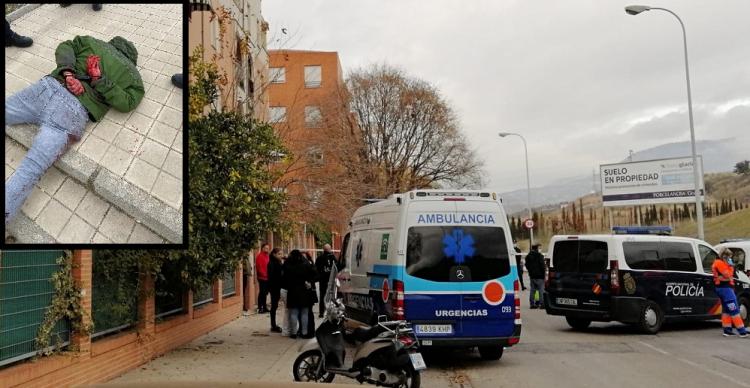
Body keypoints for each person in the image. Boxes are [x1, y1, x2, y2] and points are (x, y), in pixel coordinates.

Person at [5, 35, 144, 226]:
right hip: (73, 112)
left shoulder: (90, 41)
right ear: (132, 59)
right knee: (30, 170)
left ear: (112, 43)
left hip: (48, 88)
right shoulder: (134, 76)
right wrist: (99, 80)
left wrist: (68, 74)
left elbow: (65, 45)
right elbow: (128, 102)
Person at [281, 250, 317, 339]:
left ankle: (293, 333)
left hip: (292, 291)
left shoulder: (288, 265)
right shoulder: (305, 264)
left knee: (293, 313)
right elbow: (313, 273)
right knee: (304, 313)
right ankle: (304, 332)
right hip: (304, 291)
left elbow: (284, 277)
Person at [712, 248, 748, 338]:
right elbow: (728, 275)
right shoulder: (720, 263)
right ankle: (742, 331)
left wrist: (728, 271)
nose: (730, 259)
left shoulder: (719, 262)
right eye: (729, 257)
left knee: (726, 310)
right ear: (725, 256)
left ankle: (727, 330)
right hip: (725, 289)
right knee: (734, 309)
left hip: (723, 288)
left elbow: (727, 276)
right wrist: (730, 266)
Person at [316, 244, 336, 317]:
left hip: (322, 280)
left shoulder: (319, 258)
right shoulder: (333, 257)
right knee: (331, 296)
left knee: (322, 296)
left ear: (323, 249)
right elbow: (336, 267)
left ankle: (321, 312)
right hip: (331, 280)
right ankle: (330, 312)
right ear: (330, 249)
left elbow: (316, 269)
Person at [267, 248, 284, 333]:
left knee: (275, 306)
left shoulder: (277, 262)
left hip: (277, 287)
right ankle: (273, 325)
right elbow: (272, 277)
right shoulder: (272, 263)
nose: (281, 256)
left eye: (281, 254)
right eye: (279, 254)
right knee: (274, 306)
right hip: (274, 288)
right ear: (274, 254)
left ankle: (273, 325)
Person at [525, 244, 546, 309]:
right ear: (537, 248)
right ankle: (542, 304)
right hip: (540, 276)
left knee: (532, 290)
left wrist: (530, 271)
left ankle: (532, 304)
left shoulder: (528, 256)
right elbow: (542, 266)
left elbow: (526, 265)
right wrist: (544, 274)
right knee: (541, 290)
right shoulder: (540, 256)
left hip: (532, 276)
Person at [303, 251, 318, 336]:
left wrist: (310, 282)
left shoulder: (311, 266)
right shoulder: (308, 265)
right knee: (307, 312)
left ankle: (310, 331)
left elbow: (316, 277)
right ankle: (308, 330)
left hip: (309, 291)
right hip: (307, 291)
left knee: (308, 312)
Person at [255, 243, 271, 313]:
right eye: (266, 248)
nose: (267, 249)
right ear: (262, 248)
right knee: (262, 293)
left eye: (268, 248)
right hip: (262, 278)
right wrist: (264, 275)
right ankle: (260, 307)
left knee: (265, 293)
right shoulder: (259, 256)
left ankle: (264, 307)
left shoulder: (267, 256)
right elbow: (259, 268)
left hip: (267, 278)